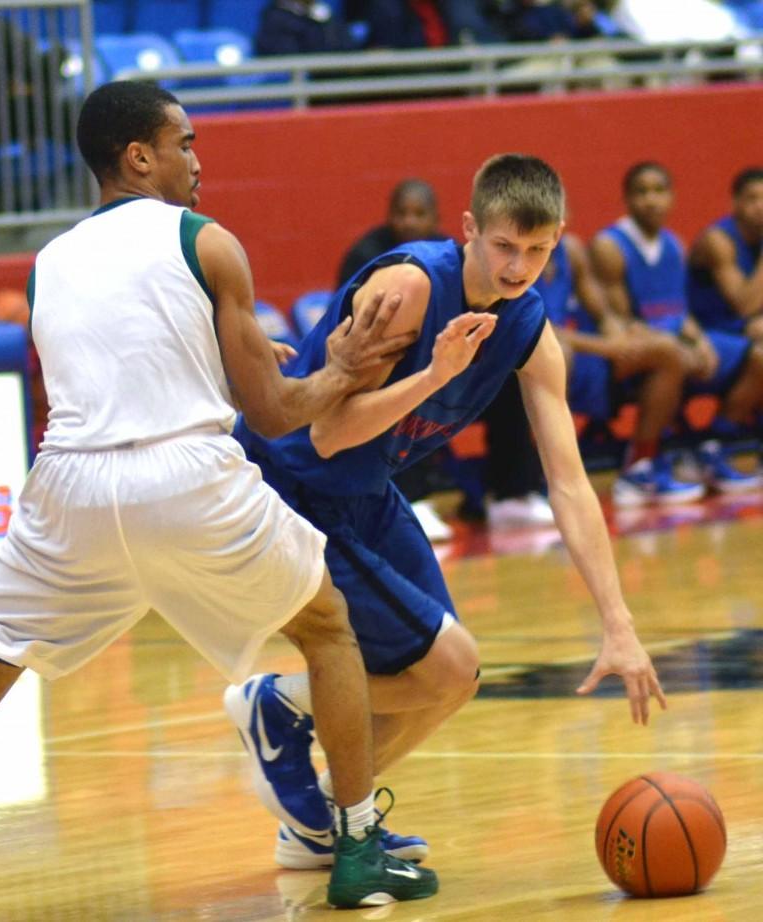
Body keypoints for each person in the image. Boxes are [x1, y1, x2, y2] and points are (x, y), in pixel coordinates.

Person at [0, 80, 441, 921]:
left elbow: (124, 359)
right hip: (184, 478)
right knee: (329, 630)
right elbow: (273, 412)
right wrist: (344, 374)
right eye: (184, 142)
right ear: (138, 155)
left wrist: (235, 359)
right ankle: (357, 846)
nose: (197, 158)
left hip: (69, 488)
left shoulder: (47, 264)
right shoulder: (208, 241)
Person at [225, 154, 667, 872]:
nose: (519, 266)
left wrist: (618, 624)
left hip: (364, 491)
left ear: (558, 240)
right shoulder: (406, 289)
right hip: (287, 488)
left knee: (451, 683)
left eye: (537, 250)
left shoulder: (526, 321)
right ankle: (277, 705)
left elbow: (570, 483)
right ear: (469, 230)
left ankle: (331, 821)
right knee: (448, 662)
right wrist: (434, 376)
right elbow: (327, 433)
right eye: (503, 247)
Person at [338, 178, 554, 534]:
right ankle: (412, 499)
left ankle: (511, 494)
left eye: (419, 213)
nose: (409, 221)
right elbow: (355, 332)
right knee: (412, 384)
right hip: (388, 364)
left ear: (438, 218)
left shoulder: (454, 256)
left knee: (511, 380)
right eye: (401, 213)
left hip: (453, 361)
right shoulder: (367, 254)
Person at [589, 161, 763, 493]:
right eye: (641, 192)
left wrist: (700, 342)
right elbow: (621, 323)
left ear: (672, 197)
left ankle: (714, 446)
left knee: (759, 356)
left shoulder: (673, 244)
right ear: (626, 199)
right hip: (629, 350)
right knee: (671, 355)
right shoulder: (610, 246)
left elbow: (682, 313)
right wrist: (683, 345)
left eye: (659, 191)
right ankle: (641, 464)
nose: (651, 200)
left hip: (674, 341)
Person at [536, 231, 704, 505]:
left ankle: (640, 465)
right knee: (555, 355)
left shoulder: (572, 250)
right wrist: (608, 348)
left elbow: (602, 314)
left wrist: (621, 336)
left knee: (666, 350)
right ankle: (547, 478)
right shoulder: (513, 255)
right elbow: (535, 326)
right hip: (534, 359)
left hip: (583, 353)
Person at [687, 166, 763, 343]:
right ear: (735, 203)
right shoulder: (718, 241)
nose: (760, 207)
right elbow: (745, 307)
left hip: (748, 325)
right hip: (709, 330)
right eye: (752, 199)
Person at [254, 0, 358, 56]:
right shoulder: (275, 19)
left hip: (337, 86)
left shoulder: (326, 14)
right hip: (303, 90)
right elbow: (290, 60)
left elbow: (348, 48)